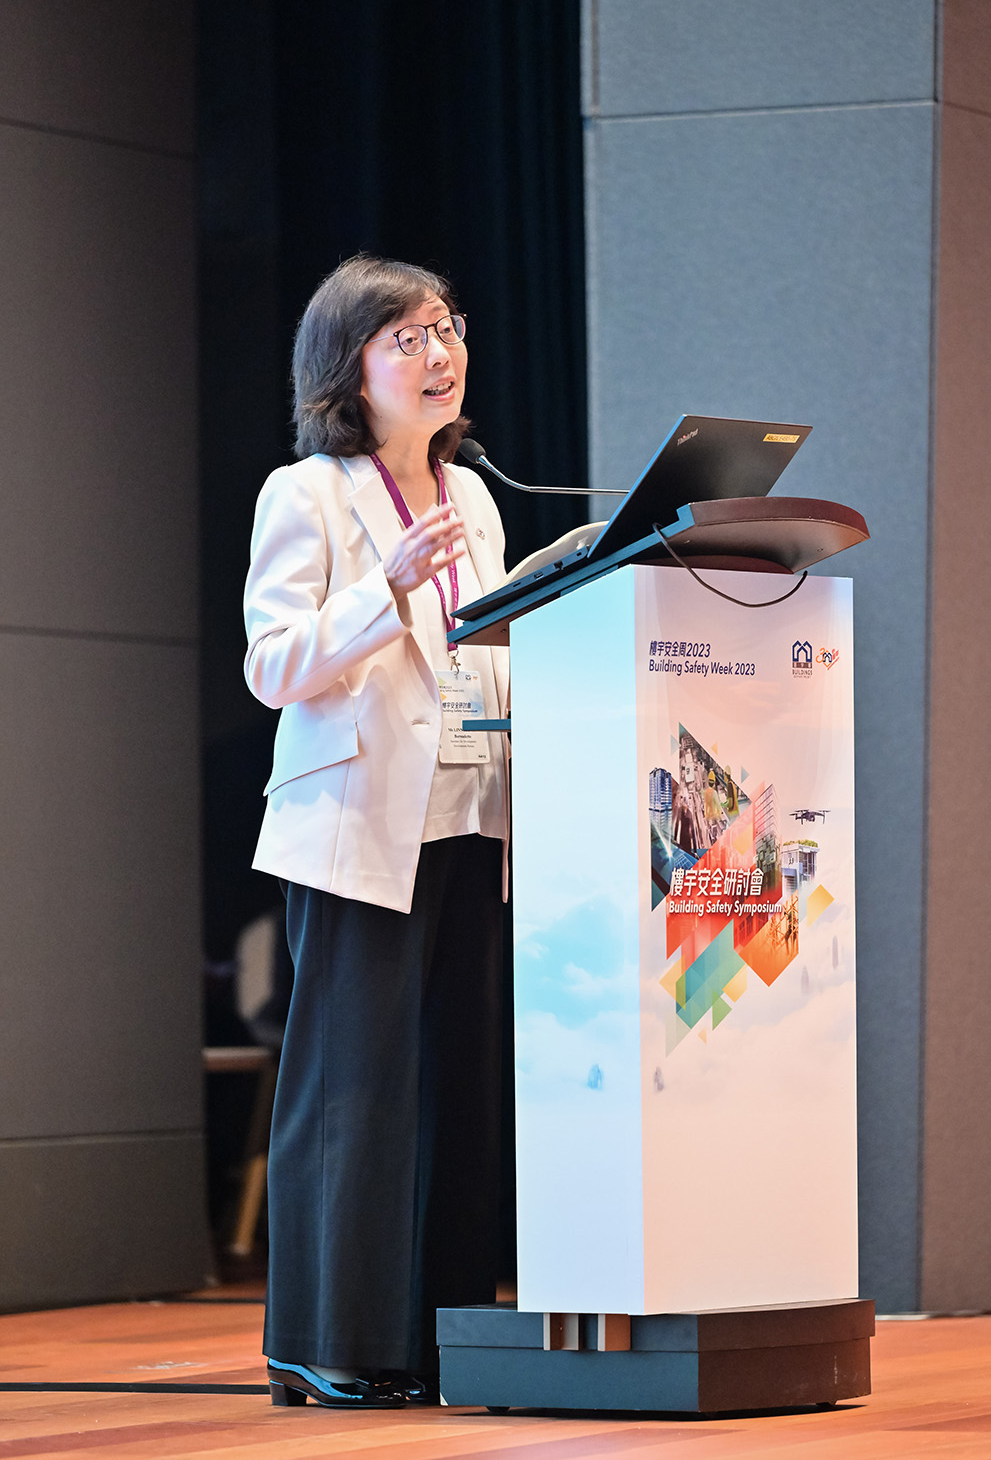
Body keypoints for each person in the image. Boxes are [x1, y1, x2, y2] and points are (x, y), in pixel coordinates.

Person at [243, 255, 510, 1409]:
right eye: (406, 337)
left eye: (446, 329)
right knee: (352, 1087)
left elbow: (483, 650)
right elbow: (270, 666)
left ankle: (436, 1336)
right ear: (348, 365)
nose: (437, 353)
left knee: (453, 1080)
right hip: (358, 822)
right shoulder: (304, 493)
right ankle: (322, 1339)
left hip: (467, 813)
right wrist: (385, 588)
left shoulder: (477, 496)